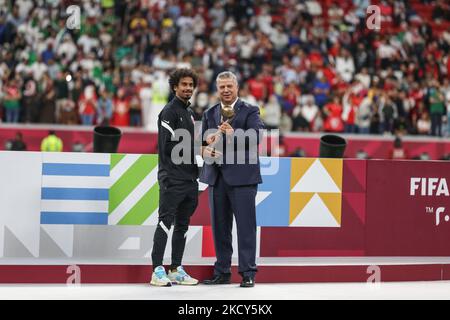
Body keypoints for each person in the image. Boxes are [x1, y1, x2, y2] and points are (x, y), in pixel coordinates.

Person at [200, 71, 265, 288]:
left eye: (229, 86)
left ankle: (248, 272)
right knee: (219, 228)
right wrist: (206, 150)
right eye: (222, 87)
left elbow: (256, 137)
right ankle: (222, 271)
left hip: (243, 178)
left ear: (237, 87)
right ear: (217, 90)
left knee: (246, 227)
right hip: (216, 178)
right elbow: (202, 145)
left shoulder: (250, 110)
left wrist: (233, 134)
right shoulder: (209, 113)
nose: (226, 90)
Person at [150, 68, 199, 287]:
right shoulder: (168, 112)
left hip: (190, 179)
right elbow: (168, 147)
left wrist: (207, 146)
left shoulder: (189, 113)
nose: (188, 88)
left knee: (182, 225)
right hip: (172, 178)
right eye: (184, 84)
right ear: (175, 87)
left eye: (191, 85)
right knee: (165, 224)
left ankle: (175, 268)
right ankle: (157, 270)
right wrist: (199, 148)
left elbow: (191, 146)